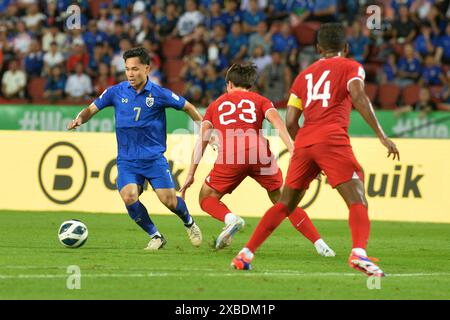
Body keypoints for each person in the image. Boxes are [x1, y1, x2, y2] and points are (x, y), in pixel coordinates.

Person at [231, 23, 400, 277]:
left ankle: (245, 254)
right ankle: (359, 253)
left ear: (319, 48)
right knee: (357, 197)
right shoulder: (351, 66)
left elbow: (290, 121)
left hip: (305, 141)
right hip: (331, 138)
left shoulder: (303, 76)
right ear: (345, 47)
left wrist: (305, 151)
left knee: (285, 204)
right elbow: (358, 95)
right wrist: (382, 135)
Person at [180, 63, 335, 257]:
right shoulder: (260, 100)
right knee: (285, 202)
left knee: (206, 197)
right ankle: (321, 245)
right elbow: (279, 123)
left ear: (229, 84)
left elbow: (202, 140)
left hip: (232, 154)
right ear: (250, 85)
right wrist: (295, 151)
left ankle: (231, 219)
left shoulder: (216, 105)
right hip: (260, 152)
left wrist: (191, 174)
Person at [67, 47, 204, 250]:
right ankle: (156, 236)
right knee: (129, 196)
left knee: (169, 201)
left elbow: (188, 107)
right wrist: (80, 118)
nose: (130, 74)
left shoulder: (160, 94)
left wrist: (204, 129)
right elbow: (92, 108)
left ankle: (189, 223)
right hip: (127, 160)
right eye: (127, 69)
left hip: (153, 159)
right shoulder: (116, 91)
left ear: (147, 68)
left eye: (135, 69)